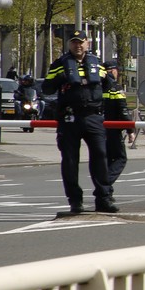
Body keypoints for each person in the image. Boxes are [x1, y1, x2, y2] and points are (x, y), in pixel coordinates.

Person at [44, 31, 116, 215]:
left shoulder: (96, 63)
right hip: (70, 119)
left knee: (100, 156)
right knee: (70, 161)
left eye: (81, 42)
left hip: (93, 117)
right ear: (69, 44)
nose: (78, 46)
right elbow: (46, 88)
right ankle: (75, 201)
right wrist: (61, 77)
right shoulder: (59, 64)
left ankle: (104, 198)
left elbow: (109, 84)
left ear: (87, 43)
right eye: (74, 42)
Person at [102, 58, 129, 187]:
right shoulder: (115, 88)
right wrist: (130, 130)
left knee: (106, 158)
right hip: (113, 129)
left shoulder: (97, 87)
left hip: (98, 129)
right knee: (120, 158)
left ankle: (106, 190)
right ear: (113, 71)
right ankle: (105, 184)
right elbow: (123, 110)